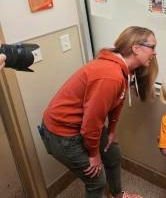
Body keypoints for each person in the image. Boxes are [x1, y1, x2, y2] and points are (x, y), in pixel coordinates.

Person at [39, 26, 158, 198]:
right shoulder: (110, 75)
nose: (154, 53)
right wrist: (93, 154)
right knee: (96, 180)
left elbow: (118, 102)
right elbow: (91, 122)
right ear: (136, 48)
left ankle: (116, 195)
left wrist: (111, 131)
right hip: (62, 134)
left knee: (113, 154)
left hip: (82, 125)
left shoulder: (123, 69)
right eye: (152, 47)